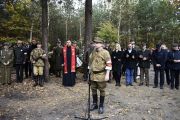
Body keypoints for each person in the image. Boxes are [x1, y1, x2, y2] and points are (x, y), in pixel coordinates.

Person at [89, 37, 112, 114]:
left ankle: (101, 105)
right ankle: (95, 104)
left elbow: (109, 64)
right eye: (95, 43)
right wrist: (89, 71)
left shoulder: (105, 52)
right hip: (93, 75)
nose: (95, 44)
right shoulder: (93, 52)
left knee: (102, 90)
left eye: (97, 43)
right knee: (93, 89)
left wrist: (107, 75)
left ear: (101, 44)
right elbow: (91, 62)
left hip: (101, 74)